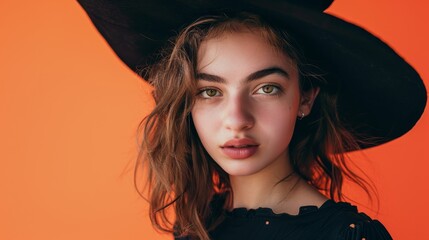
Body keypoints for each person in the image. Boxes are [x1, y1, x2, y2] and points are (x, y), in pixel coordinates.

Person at [77, 1, 426, 239]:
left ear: (304, 98)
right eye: (210, 92)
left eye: (266, 88)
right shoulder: (200, 224)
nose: (237, 119)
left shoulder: (346, 236)